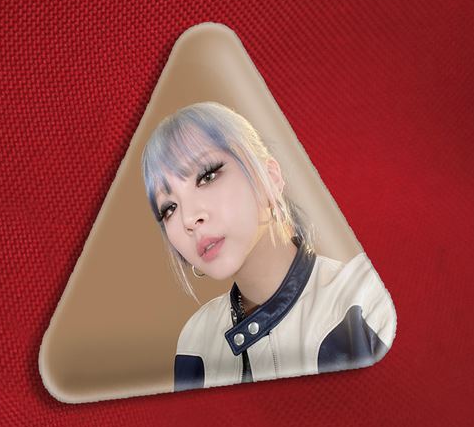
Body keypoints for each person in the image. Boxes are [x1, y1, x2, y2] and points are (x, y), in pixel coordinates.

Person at [140, 101, 396, 391]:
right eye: (169, 208)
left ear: (271, 177)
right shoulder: (195, 342)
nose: (189, 218)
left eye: (207, 176)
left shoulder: (363, 305)